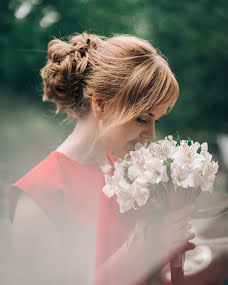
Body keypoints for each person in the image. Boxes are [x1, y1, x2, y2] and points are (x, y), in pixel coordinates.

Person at [8, 32, 196, 285]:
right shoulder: (39, 195)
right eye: (142, 118)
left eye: (157, 120)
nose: (151, 135)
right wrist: (143, 251)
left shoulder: (132, 173)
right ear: (101, 105)